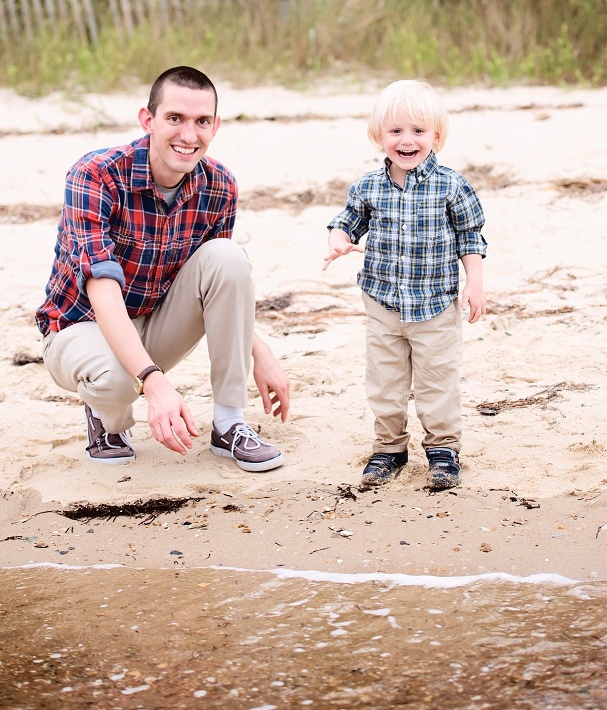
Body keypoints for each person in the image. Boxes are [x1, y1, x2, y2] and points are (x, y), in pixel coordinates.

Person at [36, 65, 290, 471]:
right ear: (147, 119)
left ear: (216, 125)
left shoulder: (219, 185)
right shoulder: (96, 175)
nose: (189, 136)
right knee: (116, 381)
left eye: (201, 121)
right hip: (79, 328)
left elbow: (219, 284)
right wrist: (154, 382)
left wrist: (260, 351)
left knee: (226, 255)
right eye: (175, 118)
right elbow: (101, 288)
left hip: (154, 324)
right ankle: (108, 419)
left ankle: (229, 423)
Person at [323, 79, 486, 491]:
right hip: (382, 303)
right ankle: (389, 448)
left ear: (436, 135)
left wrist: (475, 283)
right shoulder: (368, 186)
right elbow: (347, 222)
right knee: (385, 381)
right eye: (396, 131)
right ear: (380, 136)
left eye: (418, 131)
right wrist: (339, 241)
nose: (407, 140)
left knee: (437, 381)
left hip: (434, 304)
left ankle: (443, 449)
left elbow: (471, 236)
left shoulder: (452, 185)